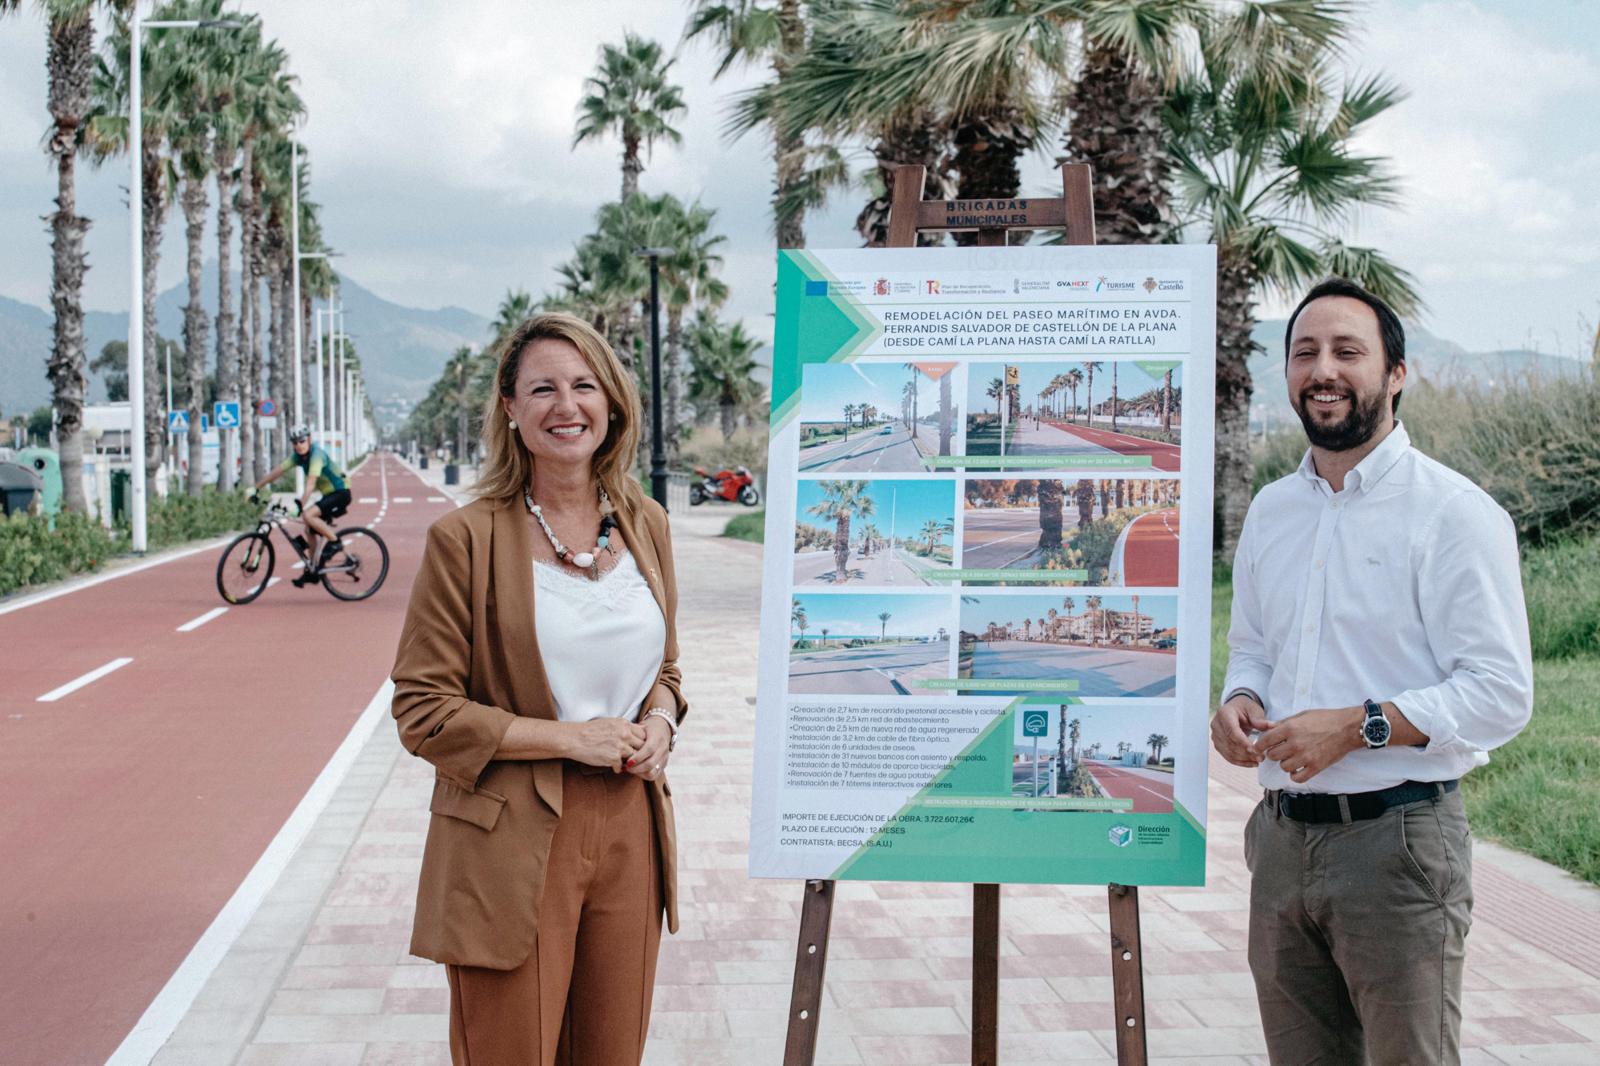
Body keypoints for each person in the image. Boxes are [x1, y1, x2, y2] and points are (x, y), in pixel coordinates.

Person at [1214, 277, 1534, 1065]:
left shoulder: (1454, 513)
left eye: (1348, 351)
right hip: (1281, 844)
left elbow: (1501, 692)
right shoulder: (1272, 510)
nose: (1323, 369)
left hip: (1397, 842)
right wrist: (1240, 698)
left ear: (1395, 373)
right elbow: (1254, 644)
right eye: (1305, 352)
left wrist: (1359, 726)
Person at [391, 312, 686, 1066]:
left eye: (585, 385)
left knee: (612, 1052)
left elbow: (666, 672)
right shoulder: (465, 539)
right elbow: (422, 711)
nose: (567, 405)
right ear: (511, 409)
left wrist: (660, 719)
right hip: (512, 834)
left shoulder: (646, 523)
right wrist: (568, 738)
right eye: (543, 388)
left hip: (629, 826)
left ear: (612, 403)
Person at [250, 425, 352, 586]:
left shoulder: (317, 455)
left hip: (341, 492)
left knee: (308, 515)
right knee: (309, 529)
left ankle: (335, 542)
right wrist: (256, 487)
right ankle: (314, 569)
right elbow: (277, 471)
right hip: (328, 494)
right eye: (295, 442)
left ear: (309, 440)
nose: (299, 445)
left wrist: (300, 506)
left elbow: (310, 484)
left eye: (302, 441)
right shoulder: (298, 457)